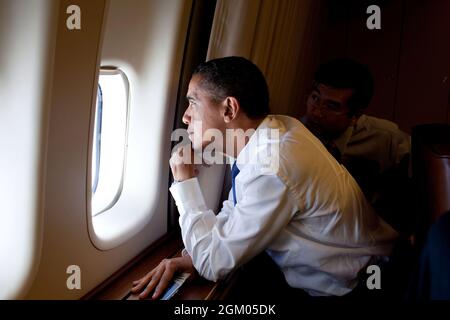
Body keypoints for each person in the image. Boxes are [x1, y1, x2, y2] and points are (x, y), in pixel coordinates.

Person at [131, 56, 398, 299]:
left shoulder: (273, 164)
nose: (185, 117)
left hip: (358, 286)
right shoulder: (270, 132)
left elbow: (213, 263)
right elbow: (235, 213)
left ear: (229, 109)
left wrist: (184, 183)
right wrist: (190, 258)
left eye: (193, 103)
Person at [300, 58, 411, 234]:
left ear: (355, 116)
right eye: (315, 98)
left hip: (362, 233)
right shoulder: (294, 134)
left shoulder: (384, 136)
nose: (317, 111)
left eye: (331, 106)